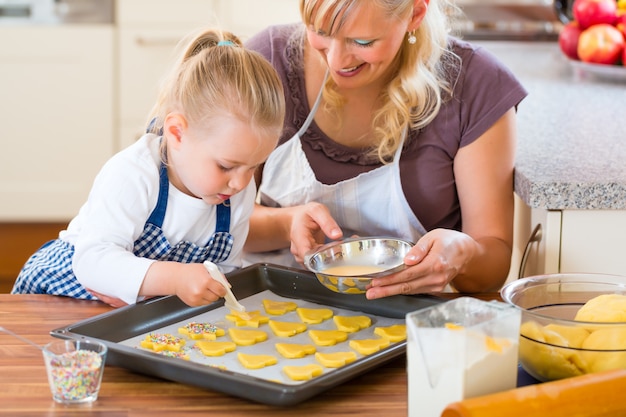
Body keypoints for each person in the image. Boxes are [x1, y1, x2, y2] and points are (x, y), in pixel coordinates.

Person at [243, 0, 528, 299]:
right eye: (320, 31)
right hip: (276, 316)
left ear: (415, 13)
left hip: (413, 329)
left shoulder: (476, 86)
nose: (337, 61)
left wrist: (463, 254)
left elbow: (493, 266)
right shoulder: (266, 63)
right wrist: (287, 224)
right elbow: (214, 222)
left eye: (362, 41)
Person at [12, 28, 285, 307]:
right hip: (61, 297)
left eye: (253, 167)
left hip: (136, 312)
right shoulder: (134, 174)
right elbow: (93, 262)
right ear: (177, 133)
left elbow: (222, 272)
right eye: (227, 166)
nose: (240, 183)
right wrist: (175, 278)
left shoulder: (235, 193)